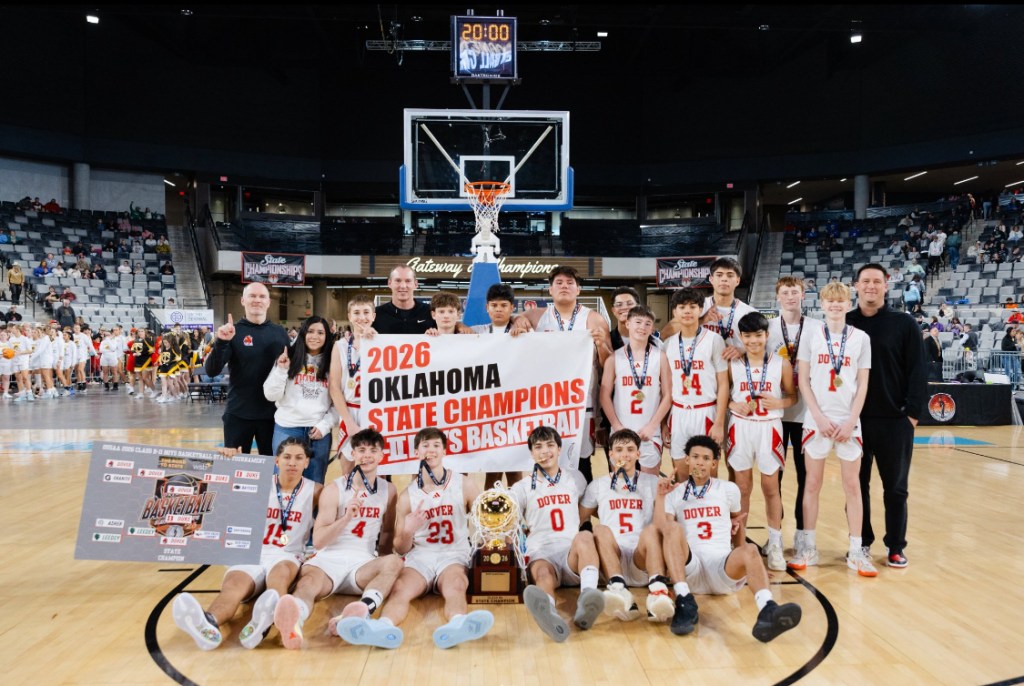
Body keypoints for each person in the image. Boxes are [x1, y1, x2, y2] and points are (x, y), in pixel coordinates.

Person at [173, 438, 320, 650]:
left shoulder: (316, 491)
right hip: (253, 551)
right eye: (287, 457)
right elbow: (216, 489)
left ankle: (266, 624)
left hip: (287, 554)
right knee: (233, 587)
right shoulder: (259, 483)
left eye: (299, 458)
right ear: (276, 461)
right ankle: (208, 624)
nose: (292, 463)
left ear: (306, 462)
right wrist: (229, 462)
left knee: (279, 578)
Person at [657, 435, 803, 641]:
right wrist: (661, 496)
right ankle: (683, 599)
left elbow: (738, 522)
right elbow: (664, 529)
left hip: (721, 568)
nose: (700, 462)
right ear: (687, 460)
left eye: (706, 458)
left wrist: (749, 566)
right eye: (695, 457)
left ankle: (768, 609)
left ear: (714, 464)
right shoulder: (675, 493)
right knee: (672, 527)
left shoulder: (728, 489)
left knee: (751, 550)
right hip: (690, 569)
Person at [273, 428, 403, 650]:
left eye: (373, 450)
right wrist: (346, 518)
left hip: (362, 564)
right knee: (307, 584)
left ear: (382, 455)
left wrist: (383, 569)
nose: (367, 455)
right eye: (361, 450)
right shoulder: (335, 489)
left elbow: (388, 533)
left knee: (394, 561)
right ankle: (295, 622)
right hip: (328, 561)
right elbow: (319, 540)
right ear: (353, 454)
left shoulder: (389, 490)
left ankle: (359, 612)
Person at [786, 282, 877, 576]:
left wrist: (851, 420)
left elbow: (863, 383)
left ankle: (856, 550)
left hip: (849, 421)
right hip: (817, 420)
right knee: (812, 484)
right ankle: (809, 548)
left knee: (853, 486)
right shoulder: (811, 336)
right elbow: (803, 381)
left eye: (840, 301)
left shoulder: (861, 338)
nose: (835, 305)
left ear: (849, 304)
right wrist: (818, 416)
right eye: (830, 301)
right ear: (822, 304)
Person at [378, 427, 494, 649]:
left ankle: (458, 624)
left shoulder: (464, 484)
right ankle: (383, 627)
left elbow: (486, 522)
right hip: (421, 556)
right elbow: (400, 549)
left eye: (436, 445)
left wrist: (493, 542)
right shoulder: (407, 496)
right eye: (425, 445)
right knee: (400, 588)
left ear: (444, 451)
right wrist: (408, 530)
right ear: (416, 452)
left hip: (454, 553)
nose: (430, 450)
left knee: (456, 585)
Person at [847, 264, 927, 568]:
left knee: (895, 489)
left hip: (895, 422)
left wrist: (912, 415)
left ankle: (895, 546)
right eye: (865, 281)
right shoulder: (845, 323)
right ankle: (861, 542)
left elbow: (918, 370)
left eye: (876, 281)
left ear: (886, 285)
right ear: (856, 285)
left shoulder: (904, 323)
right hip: (854, 420)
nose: (871, 286)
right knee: (856, 487)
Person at [511, 266, 612, 480]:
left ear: (578, 289)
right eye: (559, 283)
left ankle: (581, 504)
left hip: (582, 403)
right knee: (545, 458)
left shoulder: (593, 319)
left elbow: (609, 364)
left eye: (569, 283)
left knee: (582, 463)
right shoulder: (537, 316)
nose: (564, 286)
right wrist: (517, 319)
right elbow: (511, 319)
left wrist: (601, 345)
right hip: (547, 403)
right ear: (550, 290)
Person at [513, 426, 605, 642]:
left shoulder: (576, 478)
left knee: (585, 536)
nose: (545, 451)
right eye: (538, 447)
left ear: (559, 449)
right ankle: (549, 613)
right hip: (541, 551)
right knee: (542, 575)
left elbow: (589, 509)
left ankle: (587, 598)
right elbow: (512, 524)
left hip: (571, 552)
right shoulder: (521, 487)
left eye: (550, 445)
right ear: (531, 453)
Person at [579, 428, 676, 624]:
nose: (625, 455)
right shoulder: (598, 485)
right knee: (599, 530)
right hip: (612, 559)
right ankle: (618, 589)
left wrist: (661, 496)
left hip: (643, 559)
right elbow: (579, 519)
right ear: (610, 454)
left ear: (638, 454)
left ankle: (657, 591)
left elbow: (663, 526)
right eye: (619, 450)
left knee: (651, 530)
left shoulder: (653, 482)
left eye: (630, 450)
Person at [726, 312, 796, 571]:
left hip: (769, 427)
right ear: (740, 337)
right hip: (740, 427)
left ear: (767, 335)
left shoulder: (781, 363)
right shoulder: (732, 363)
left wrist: (780, 402)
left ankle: (775, 544)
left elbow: (793, 396)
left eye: (758, 335)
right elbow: (723, 394)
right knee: (742, 488)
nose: (753, 341)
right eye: (747, 336)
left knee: (770, 488)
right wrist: (733, 404)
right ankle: (739, 543)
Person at [766, 276, 824, 554]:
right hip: (775, 412)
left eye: (795, 292)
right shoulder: (767, 328)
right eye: (785, 292)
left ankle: (802, 533)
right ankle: (774, 534)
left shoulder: (817, 327)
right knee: (773, 477)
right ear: (778, 297)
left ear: (803, 295)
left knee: (805, 475)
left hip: (806, 413)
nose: (790, 297)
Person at [204, 282, 290, 455]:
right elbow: (211, 371)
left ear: (268, 302)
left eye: (262, 296)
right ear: (243, 300)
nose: (257, 300)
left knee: (271, 468)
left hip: (273, 415)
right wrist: (221, 342)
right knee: (236, 468)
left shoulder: (280, 333)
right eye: (252, 296)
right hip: (238, 414)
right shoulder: (232, 332)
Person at [663, 288, 728, 482]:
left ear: (700, 310)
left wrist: (719, 422)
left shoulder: (714, 340)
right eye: (682, 307)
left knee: (708, 477)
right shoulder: (668, 344)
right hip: (678, 412)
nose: (687, 311)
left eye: (692, 306)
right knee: (681, 476)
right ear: (674, 312)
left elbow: (723, 384)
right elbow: (664, 388)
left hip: (705, 412)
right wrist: (664, 423)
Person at [263, 315, 337, 484]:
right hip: (287, 428)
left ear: (327, 336)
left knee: (315, 483)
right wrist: (281, 370)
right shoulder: (288, 357)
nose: (315, 336)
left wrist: (325, 425)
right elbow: (270, 395)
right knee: (283, 482)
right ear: (303, 333)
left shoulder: (333, 362)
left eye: (320, 333)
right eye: (310, 331)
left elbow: (339, 401)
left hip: (318, 432)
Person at [599, 306, 672, 475]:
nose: (642, 327)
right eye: (638, 322)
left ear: (652, 328)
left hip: (650, 433)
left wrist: (653, 426)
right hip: (621, 430)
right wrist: (617, 426)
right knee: (621, 482)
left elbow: (668, 395)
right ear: (627, 324)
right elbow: (604, 396)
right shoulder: (614, 358)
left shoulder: (660, 357)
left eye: (647, 324)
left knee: (649, 484)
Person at [469, 283, 523, 489]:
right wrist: (459, 326)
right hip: (489, 409)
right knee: (492, 469)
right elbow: (452, 333)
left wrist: (522, 324)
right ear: (487, 308)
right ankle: (490, 509)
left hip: (516, 407)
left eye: (503, 305)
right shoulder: (477, 331)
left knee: (515, 468)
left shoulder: (524, 332)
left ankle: (518, 508)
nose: (498, 309)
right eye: (494, 305)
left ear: (512, 308)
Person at [328, 294, 374, 473]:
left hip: (376, 412)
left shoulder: (384, 343)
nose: (361, 317)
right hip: (349, 410)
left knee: (375, 470)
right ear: (349, 316)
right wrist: (348, 422)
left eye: (366, 312)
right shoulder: (340, 345)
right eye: (356, 312)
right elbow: (334, 386)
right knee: (347, 471)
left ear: (373, 316)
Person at [697, 257, 758, 360]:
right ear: (711, 279)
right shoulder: (697, 306)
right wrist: (702, 320)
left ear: (738, 280)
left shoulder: (750, 313)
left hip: (733, 366)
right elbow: (670, 332)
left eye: (730, 275)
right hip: (702, 366)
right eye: (719, 275)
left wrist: (743, 350)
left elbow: (761, 345)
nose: (724, 279)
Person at [373, 265, 435, 334]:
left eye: (408, 281)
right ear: (389, 283)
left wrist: (438, 334)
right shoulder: (376, 315)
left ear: (415, 284)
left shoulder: (431, 313)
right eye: (398, 280)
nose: (403, 286)